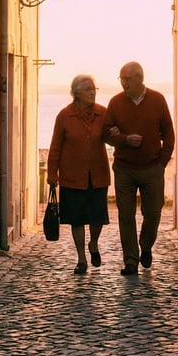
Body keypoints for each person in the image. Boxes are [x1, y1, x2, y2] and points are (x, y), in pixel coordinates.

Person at [103, 61, 175, 275]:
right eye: (121, 79)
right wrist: (124, 139)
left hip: (152, 167)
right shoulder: (115, 103)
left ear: (139, 78)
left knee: (153, 212)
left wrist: (162, 161)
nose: (123, 83)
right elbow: (106, 133)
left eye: (127, 79)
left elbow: (168, 133)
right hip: (124, 168)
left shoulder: (157, 100)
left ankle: (145, 246)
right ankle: (131, 261)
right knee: (126, 215)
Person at [46, 74, 111, 274]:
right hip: (72, 177)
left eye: (94, 89)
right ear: (76, 93)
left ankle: (93, 243)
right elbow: (55, 147)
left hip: (97, 174)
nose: (92, 92)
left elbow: (112, 137)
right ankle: (81, 258)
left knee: (97, 217)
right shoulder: (65, 116)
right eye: (88, 89)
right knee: (76, 219)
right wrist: (52, 175)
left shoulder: (103, 113)